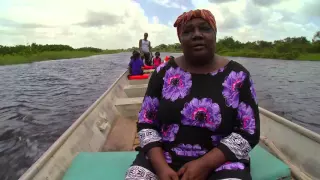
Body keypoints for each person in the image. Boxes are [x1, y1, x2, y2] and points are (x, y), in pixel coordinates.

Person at [125, 9, 260, 180]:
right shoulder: (162, 73)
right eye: (188, 31)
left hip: (222, 162)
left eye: (204, 28)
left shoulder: (238, 76)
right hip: (163, 158)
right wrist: (161, 168)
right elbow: (147, 123)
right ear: (180, 39)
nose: (197, 35)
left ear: (215, 34)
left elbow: (249, 132)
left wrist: (205, 164)